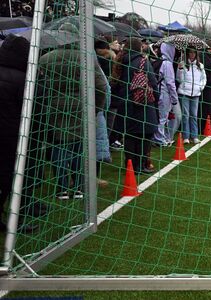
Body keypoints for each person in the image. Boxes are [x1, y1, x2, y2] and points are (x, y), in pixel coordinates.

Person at [39, 24, 108, 200]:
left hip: (54, 109)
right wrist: (96, 109)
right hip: (80, 109)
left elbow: (39, 86)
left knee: (59, 147)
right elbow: (101, 87)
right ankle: (78, 188)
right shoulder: (86, 58)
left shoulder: (46, 59)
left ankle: (62, 188)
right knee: (78, 148)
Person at [0, 34, 47, 233]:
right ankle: (15, 222)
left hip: (8, 136)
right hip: (13, 139)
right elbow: (34, 112)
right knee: (15, 180)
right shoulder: (24, 79)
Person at [113, 38, 158, 175]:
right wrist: (155, 97)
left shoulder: (120, 61)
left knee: (130, 136)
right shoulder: (143, 62)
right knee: (144, 135)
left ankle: (129, 165)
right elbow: (153, 82)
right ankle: (139, 165)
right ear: (139, 48)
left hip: (126, 103)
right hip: (142, 103)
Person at [152, 42, 181, 147]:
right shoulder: (167, 64)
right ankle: (159, 139)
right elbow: (170, 83)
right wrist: (174, 98)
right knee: (163, 117)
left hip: (159, 92)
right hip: (164, 94)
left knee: (160, 116)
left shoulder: (159, 61)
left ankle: (159, 137)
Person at [177, 48, 207, 144]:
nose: (192, 54)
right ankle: (186, 136)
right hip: (184, 93)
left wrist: (200, 87)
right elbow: (178, 79)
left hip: (195, 94)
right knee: (185, 115)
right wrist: (180, 70)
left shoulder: (200, 66)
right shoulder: (182, 64)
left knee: (194, 115)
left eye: (194, 52)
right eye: (190, 52)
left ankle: (194, 136)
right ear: (187, 53)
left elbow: (203, 78)